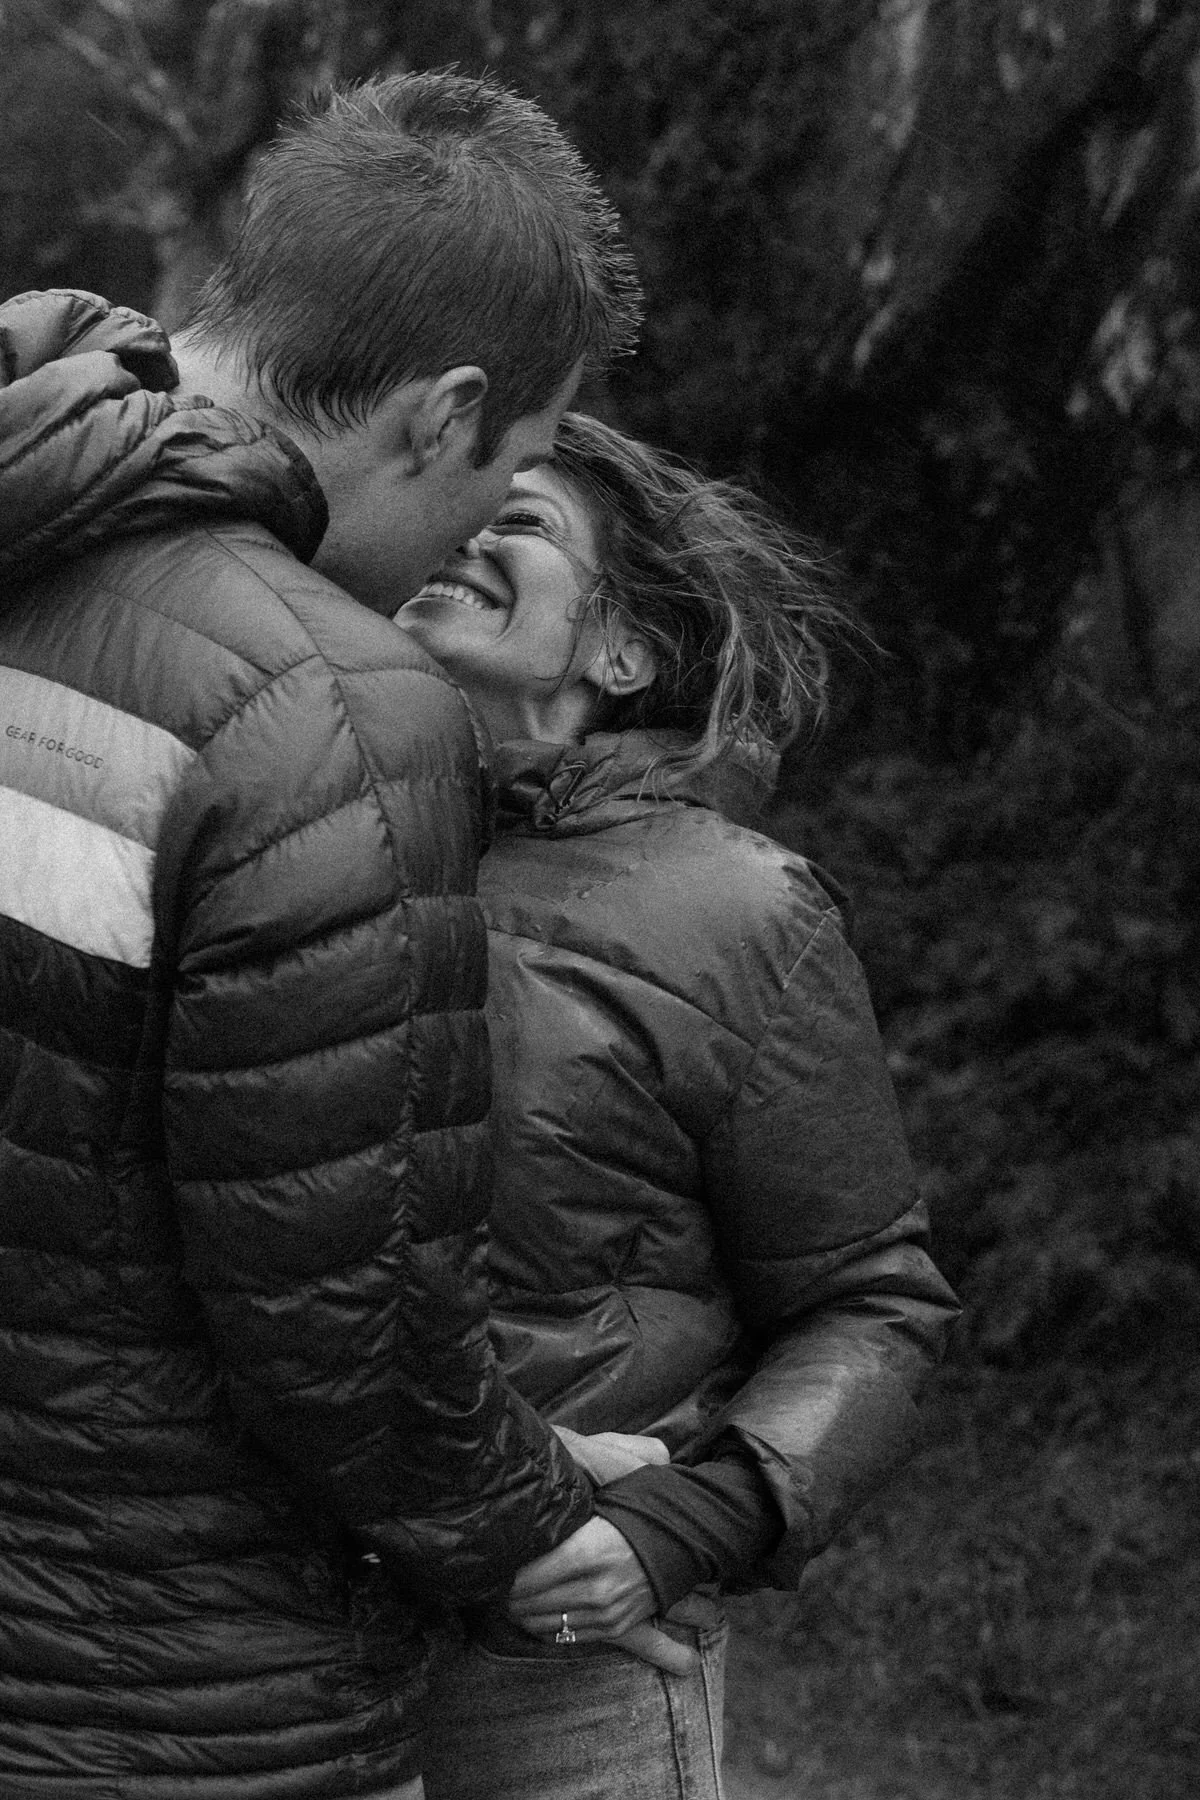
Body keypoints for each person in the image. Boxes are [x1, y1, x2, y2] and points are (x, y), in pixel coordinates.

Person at [0, 72, 645, 1800]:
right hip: (165, 1696)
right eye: (511, 466)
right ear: (440, 416)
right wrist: (538, 1522)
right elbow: (346, 1320)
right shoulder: (336, 714)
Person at [393, 411, 962, 1800]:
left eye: (518, 519)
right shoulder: (286, 836)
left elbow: (874, 1303)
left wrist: (689, 1517)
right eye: (442, 505)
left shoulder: (735, 909)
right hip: (261, 1630)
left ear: (626, 650)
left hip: (560, 1660)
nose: (462, 530)